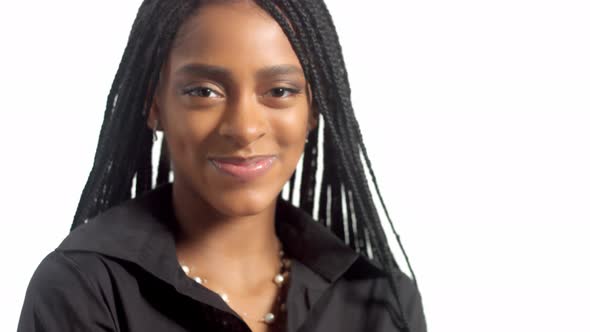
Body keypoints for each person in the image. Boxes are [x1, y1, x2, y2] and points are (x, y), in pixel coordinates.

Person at [17, 1, 427, 331]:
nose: (245, 128)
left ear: (314, 109)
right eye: (204, 91)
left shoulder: (382, 302)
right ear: (154, 104)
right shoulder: (82, 290)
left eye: (279, 91)